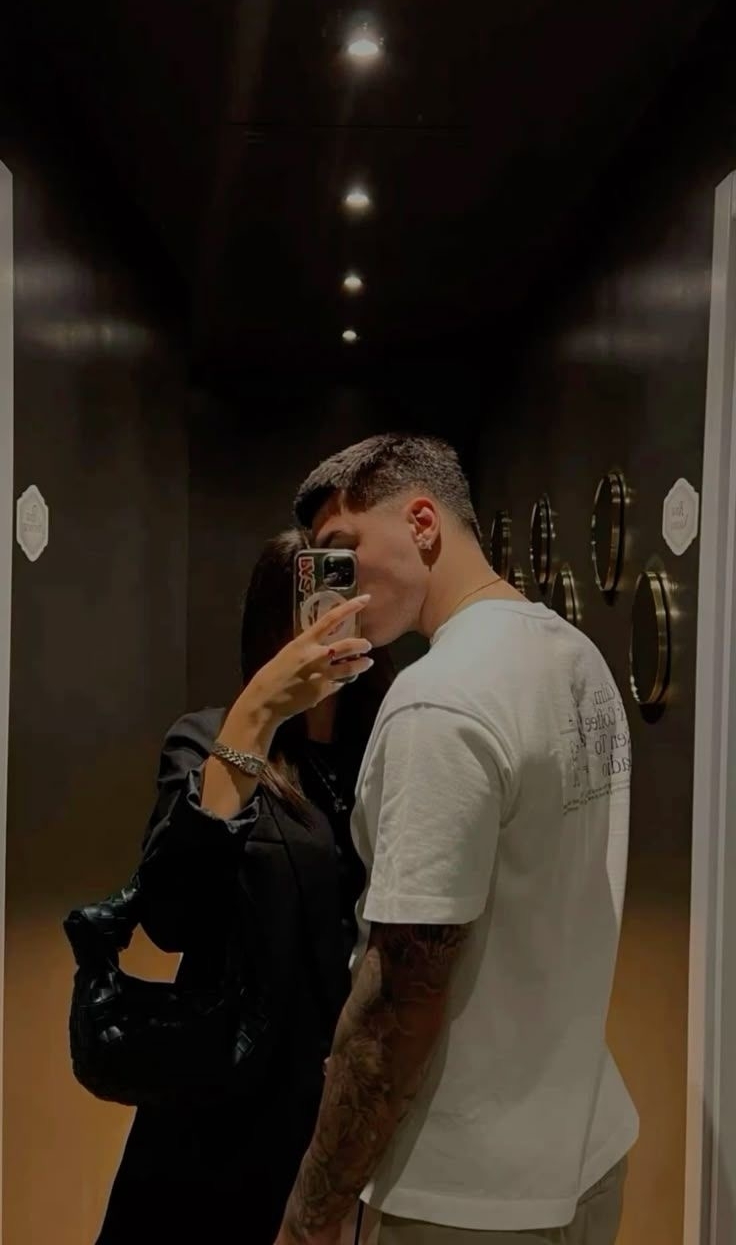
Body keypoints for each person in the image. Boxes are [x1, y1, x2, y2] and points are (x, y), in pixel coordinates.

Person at [273, 434, 638, 1245]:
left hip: (464, 1194)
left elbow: (397, 1001)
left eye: (343, 548)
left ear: (423, 522)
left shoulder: (438, 702)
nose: (335, 581)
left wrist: (310, 1217)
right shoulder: (575, 655)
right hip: (586, 1147)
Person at [96, 529, 392, 1245]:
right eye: (312, 602)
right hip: (219, 1121)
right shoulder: (207, 742)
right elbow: (170, 916)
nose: (329, 618)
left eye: (345, 597)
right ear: (271, 624)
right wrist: (256, 717)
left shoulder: (390, 746)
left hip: (347, 1111)